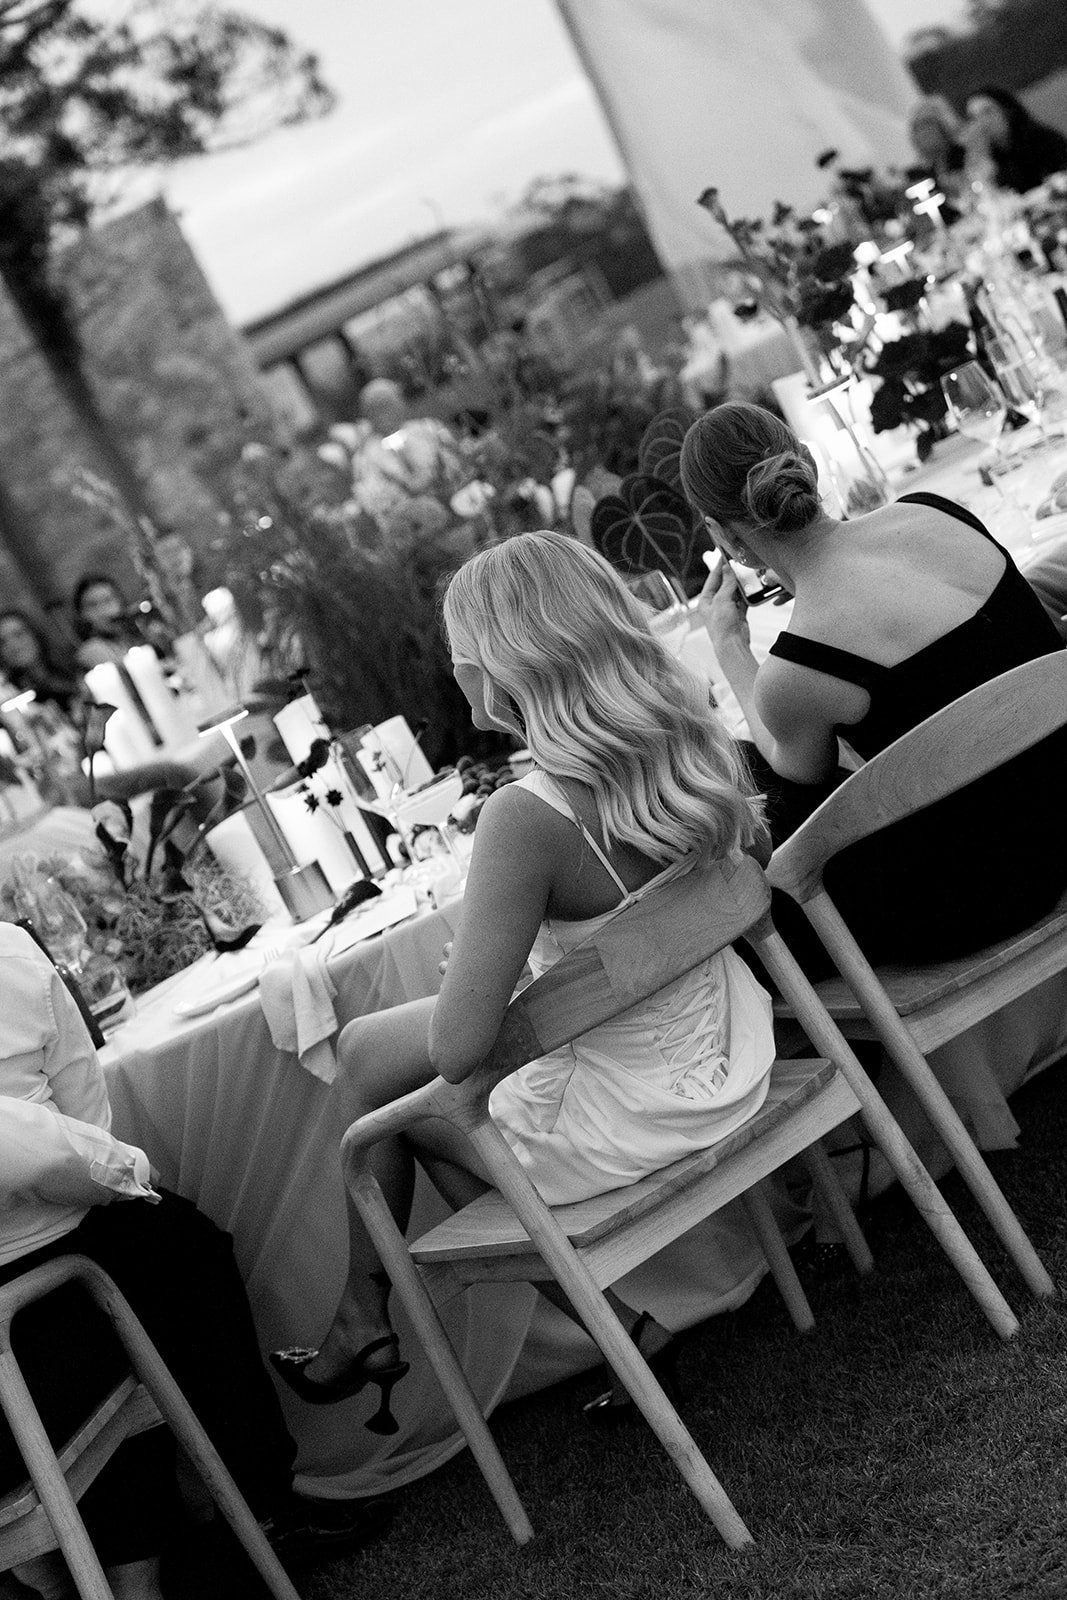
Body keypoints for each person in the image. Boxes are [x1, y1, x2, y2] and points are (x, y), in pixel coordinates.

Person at [271, 530, 777, 1422]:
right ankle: (375, 1318)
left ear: (504, 669)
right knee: (368, 1055)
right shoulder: (682, 725)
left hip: (644, 1113)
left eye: (462, 659)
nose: (457, 677)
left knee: (394, 1100)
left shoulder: (527, 814)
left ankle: (374, 1317)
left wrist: (486, 970)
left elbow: (459, 1051)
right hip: (737, 1056)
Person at [0, 923, 390, 1600]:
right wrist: (124, 1173)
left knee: (155, 1258)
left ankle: (85, 1562)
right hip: (45, 1264)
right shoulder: (7, 952)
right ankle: (251, 1508)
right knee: (175, 1263)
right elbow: (83, 1126)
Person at [678, 401, 1067, 977]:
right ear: (805, 463)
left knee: (740, 789)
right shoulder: (939, 512)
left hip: (991, 897)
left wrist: (731, 646)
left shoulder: (797, 668)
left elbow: (792, 772)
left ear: (724, 538)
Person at [961, 85, 1067, 193]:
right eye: (973, 117)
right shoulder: (992, 156)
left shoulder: (1041, 139)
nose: (982, 122)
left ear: (1007, 111)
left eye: (987, 112)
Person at [0, 610, 79, 715]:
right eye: (3, 642)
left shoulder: (68, 666)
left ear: (35, 634)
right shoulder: (12, 697)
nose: (13, 645)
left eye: (18, 634)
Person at [72, 575, 143, 672]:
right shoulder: (91, 650)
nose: (103, 611)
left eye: (108, 600)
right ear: (82, 615)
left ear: (121, 602)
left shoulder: (131, 638)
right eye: (92, 605)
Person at [906, 94, 967, 194]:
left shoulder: (965, 154)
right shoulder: (924, 174)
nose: (924, 132)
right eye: (917, 128)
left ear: (944, 126)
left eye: (928, 123)